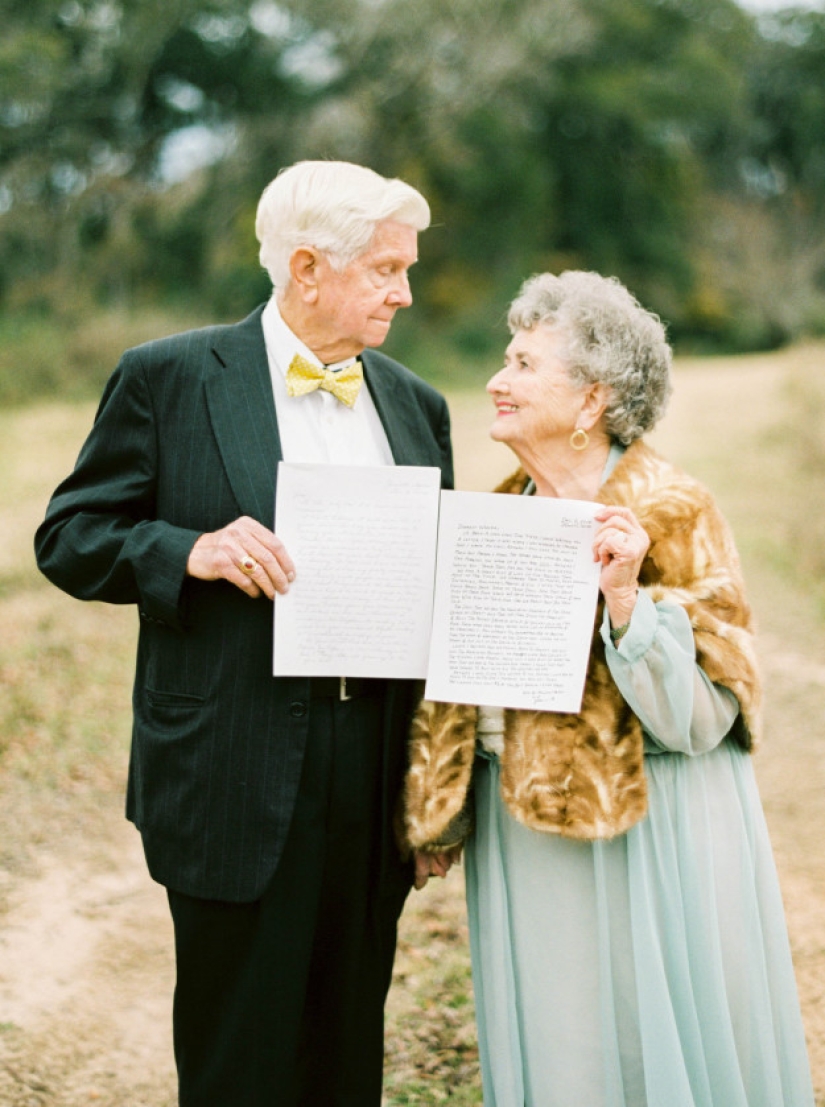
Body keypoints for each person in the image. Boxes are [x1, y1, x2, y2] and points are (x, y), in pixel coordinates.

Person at [34, 160, 453, 1106]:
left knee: (346, 1049)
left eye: (406, 267)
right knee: (238, 1058)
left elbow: (437, 600)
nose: (406, 290)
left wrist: (433, 791)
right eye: (387, 268)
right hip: (232, 766)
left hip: (371, 766)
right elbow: (68, 538)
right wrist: (189, 550)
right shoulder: (167, 377)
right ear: (306, 266)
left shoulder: (417, 405)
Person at [402, 271, 814, 1106]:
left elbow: (704, 718)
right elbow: (461, 687)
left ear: (590, 399)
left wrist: (626, 602)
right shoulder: (499, 512)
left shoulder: (673, 511)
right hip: (525, 842)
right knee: (563, 1054)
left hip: (656, 835)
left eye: (521, 363)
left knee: (648, 1041)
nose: (496, 380)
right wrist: (437, 802)